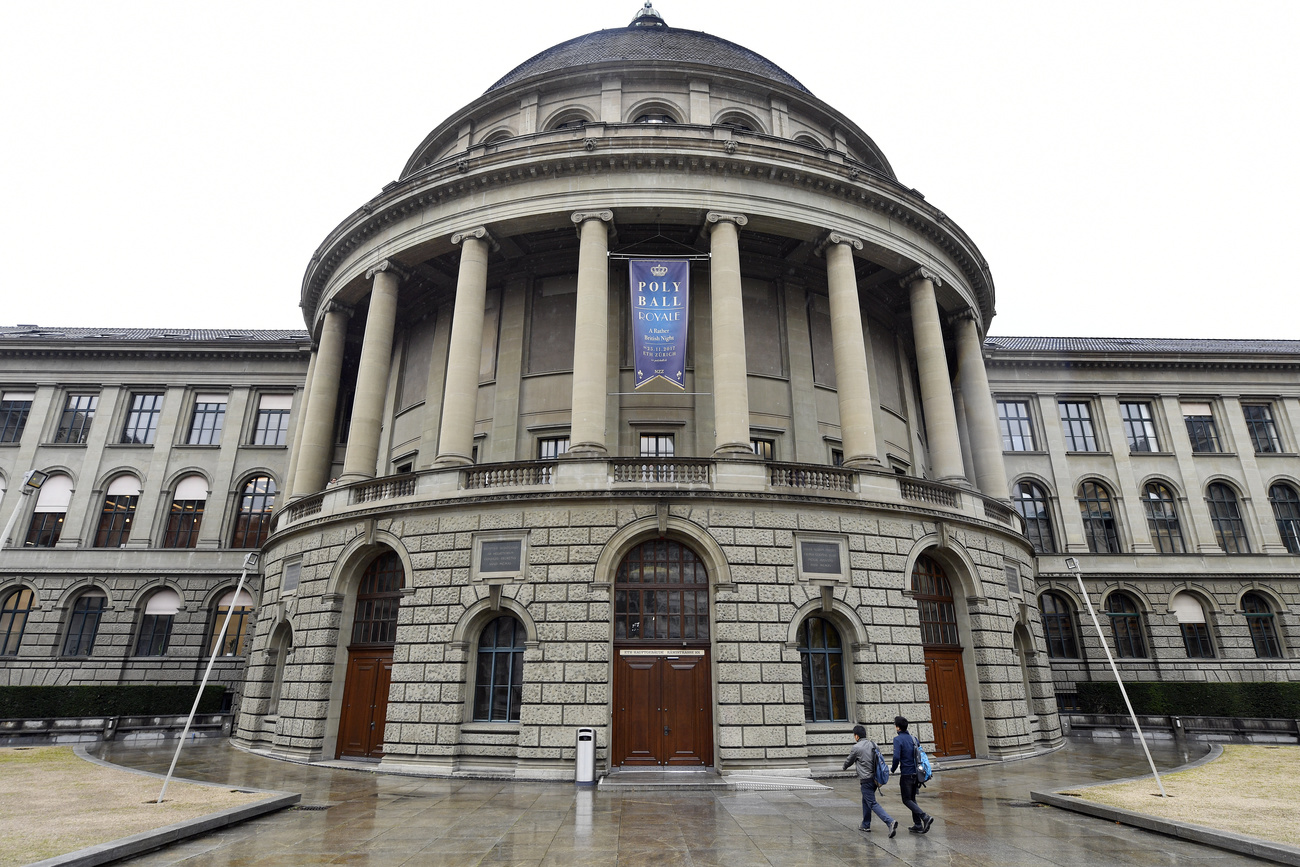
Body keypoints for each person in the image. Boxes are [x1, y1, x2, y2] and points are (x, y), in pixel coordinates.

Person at [842, 724, 898, 837]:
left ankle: (889, 821)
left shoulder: (857, 747)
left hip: (866, 779)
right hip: (875, 779)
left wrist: (844, 767)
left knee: (872, 803)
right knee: (866, 800)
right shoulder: (873, 744)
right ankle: (865, 824)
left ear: (856, 736)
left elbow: (849, 761)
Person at [890, 716, 934, 834]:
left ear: (898, 727)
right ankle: (918, 824)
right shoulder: (914, 739)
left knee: (906, 799)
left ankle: (925, 817)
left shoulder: (898, 740)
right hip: (916, 774)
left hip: (907, 774)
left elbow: (896, 757)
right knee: (912, 798)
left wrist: (893, 769)